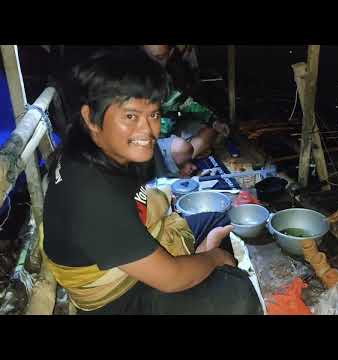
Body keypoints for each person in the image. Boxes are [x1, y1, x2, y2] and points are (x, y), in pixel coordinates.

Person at [41, 50, 262, 315]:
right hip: (114, 296)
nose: (148, 131)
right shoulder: (92, 193)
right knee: (238, 297)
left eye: (154, 115)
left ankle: (205, 268)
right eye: (131, 116)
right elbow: (170, 278)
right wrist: (214, 258)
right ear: (91, 117)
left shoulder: (93, 147)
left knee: (221, 220)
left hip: (126, 253)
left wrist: (203, 257)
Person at [141, 45, 230, 162]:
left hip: (169, 133)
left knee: (211, 131)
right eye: (147, 57)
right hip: (145, 142)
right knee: (181, 148)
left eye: (159, 57)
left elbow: (185, 103)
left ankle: (177, 161)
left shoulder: (169, 76)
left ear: (170, 53)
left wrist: (213, 121)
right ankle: (175, 163)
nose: (152, 63)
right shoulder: (130, 79)